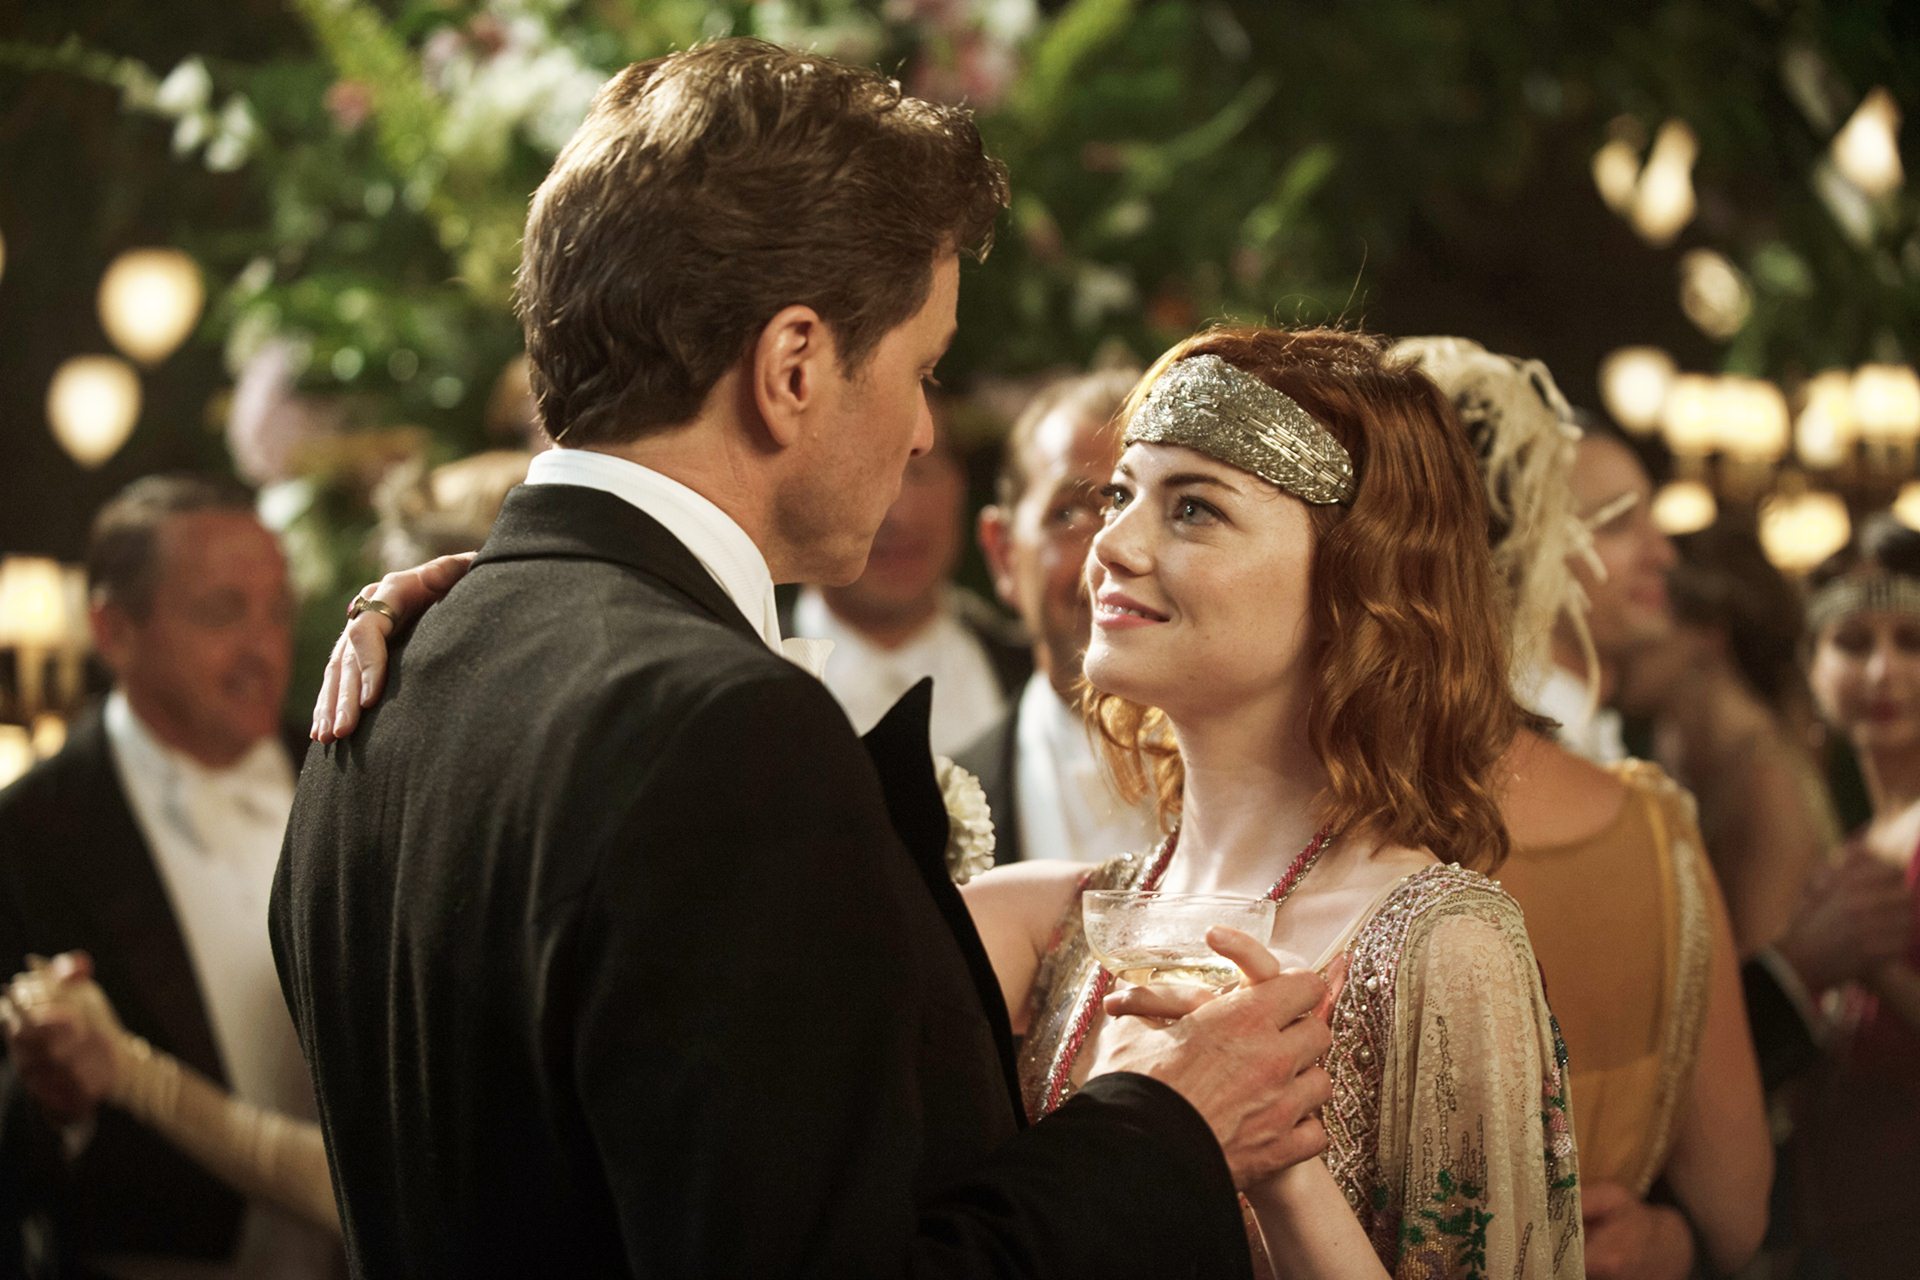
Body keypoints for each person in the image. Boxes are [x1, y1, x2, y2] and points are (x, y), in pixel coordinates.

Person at [280, 39, 1333, 1277]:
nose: (924, 429)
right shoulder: (722, 730)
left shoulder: (389, 680)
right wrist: (1167, 1127)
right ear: (791, 369)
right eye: (919, 368)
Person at [963, 327, 1584, 1277]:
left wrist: (1282, 1164)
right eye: (1120, 496)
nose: (1111, 545)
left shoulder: (1444, 949)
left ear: (1355, 578)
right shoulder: (1043, 923)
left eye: (1194, 509)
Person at [1392, 337, 1769, 1280]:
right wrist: (1675, 1240)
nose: (1663, 551)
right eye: (1614, 520)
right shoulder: (1645, 825)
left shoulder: (1332, 816)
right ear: (1526, 546)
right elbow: (1738, 1204)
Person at [0, 475, 336, 1277]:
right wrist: (59, 1103)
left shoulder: (344, 771)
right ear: (114, 631)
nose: (265, 648)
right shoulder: (28, 833)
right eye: (223, 612)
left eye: (278, 611)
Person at [959, 367, 1160, 864]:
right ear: (1004, 554)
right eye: (1070, 513)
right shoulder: (919, 813)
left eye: (1172, 511)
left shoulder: (1310, 790)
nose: (1114, 552)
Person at [1613, 524, 1841, 955]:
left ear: (1708, 636)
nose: (1629, 637)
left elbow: (1767, 974)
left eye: (1653, 610)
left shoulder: (1765, 781)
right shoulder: (1688, 754)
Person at [1792, 513, 1920, 1276]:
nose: (1882, 672)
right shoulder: (1859, 842)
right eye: (1852, 642)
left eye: (1912, 642)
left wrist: (1873, 965)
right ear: (1811, 668)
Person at [784, 408, 1029, 753]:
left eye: (919, 471)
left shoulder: (1032, 676)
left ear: (960, 484)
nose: (898, 512)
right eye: (863, 473)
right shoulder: (743, 676)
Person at [1528, 426, 1677, 763]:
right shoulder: (1521, 753)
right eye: (1617, 523)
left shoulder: (1586, 735)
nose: (1664, 554)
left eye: (1653, 517)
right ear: (1528, 555)